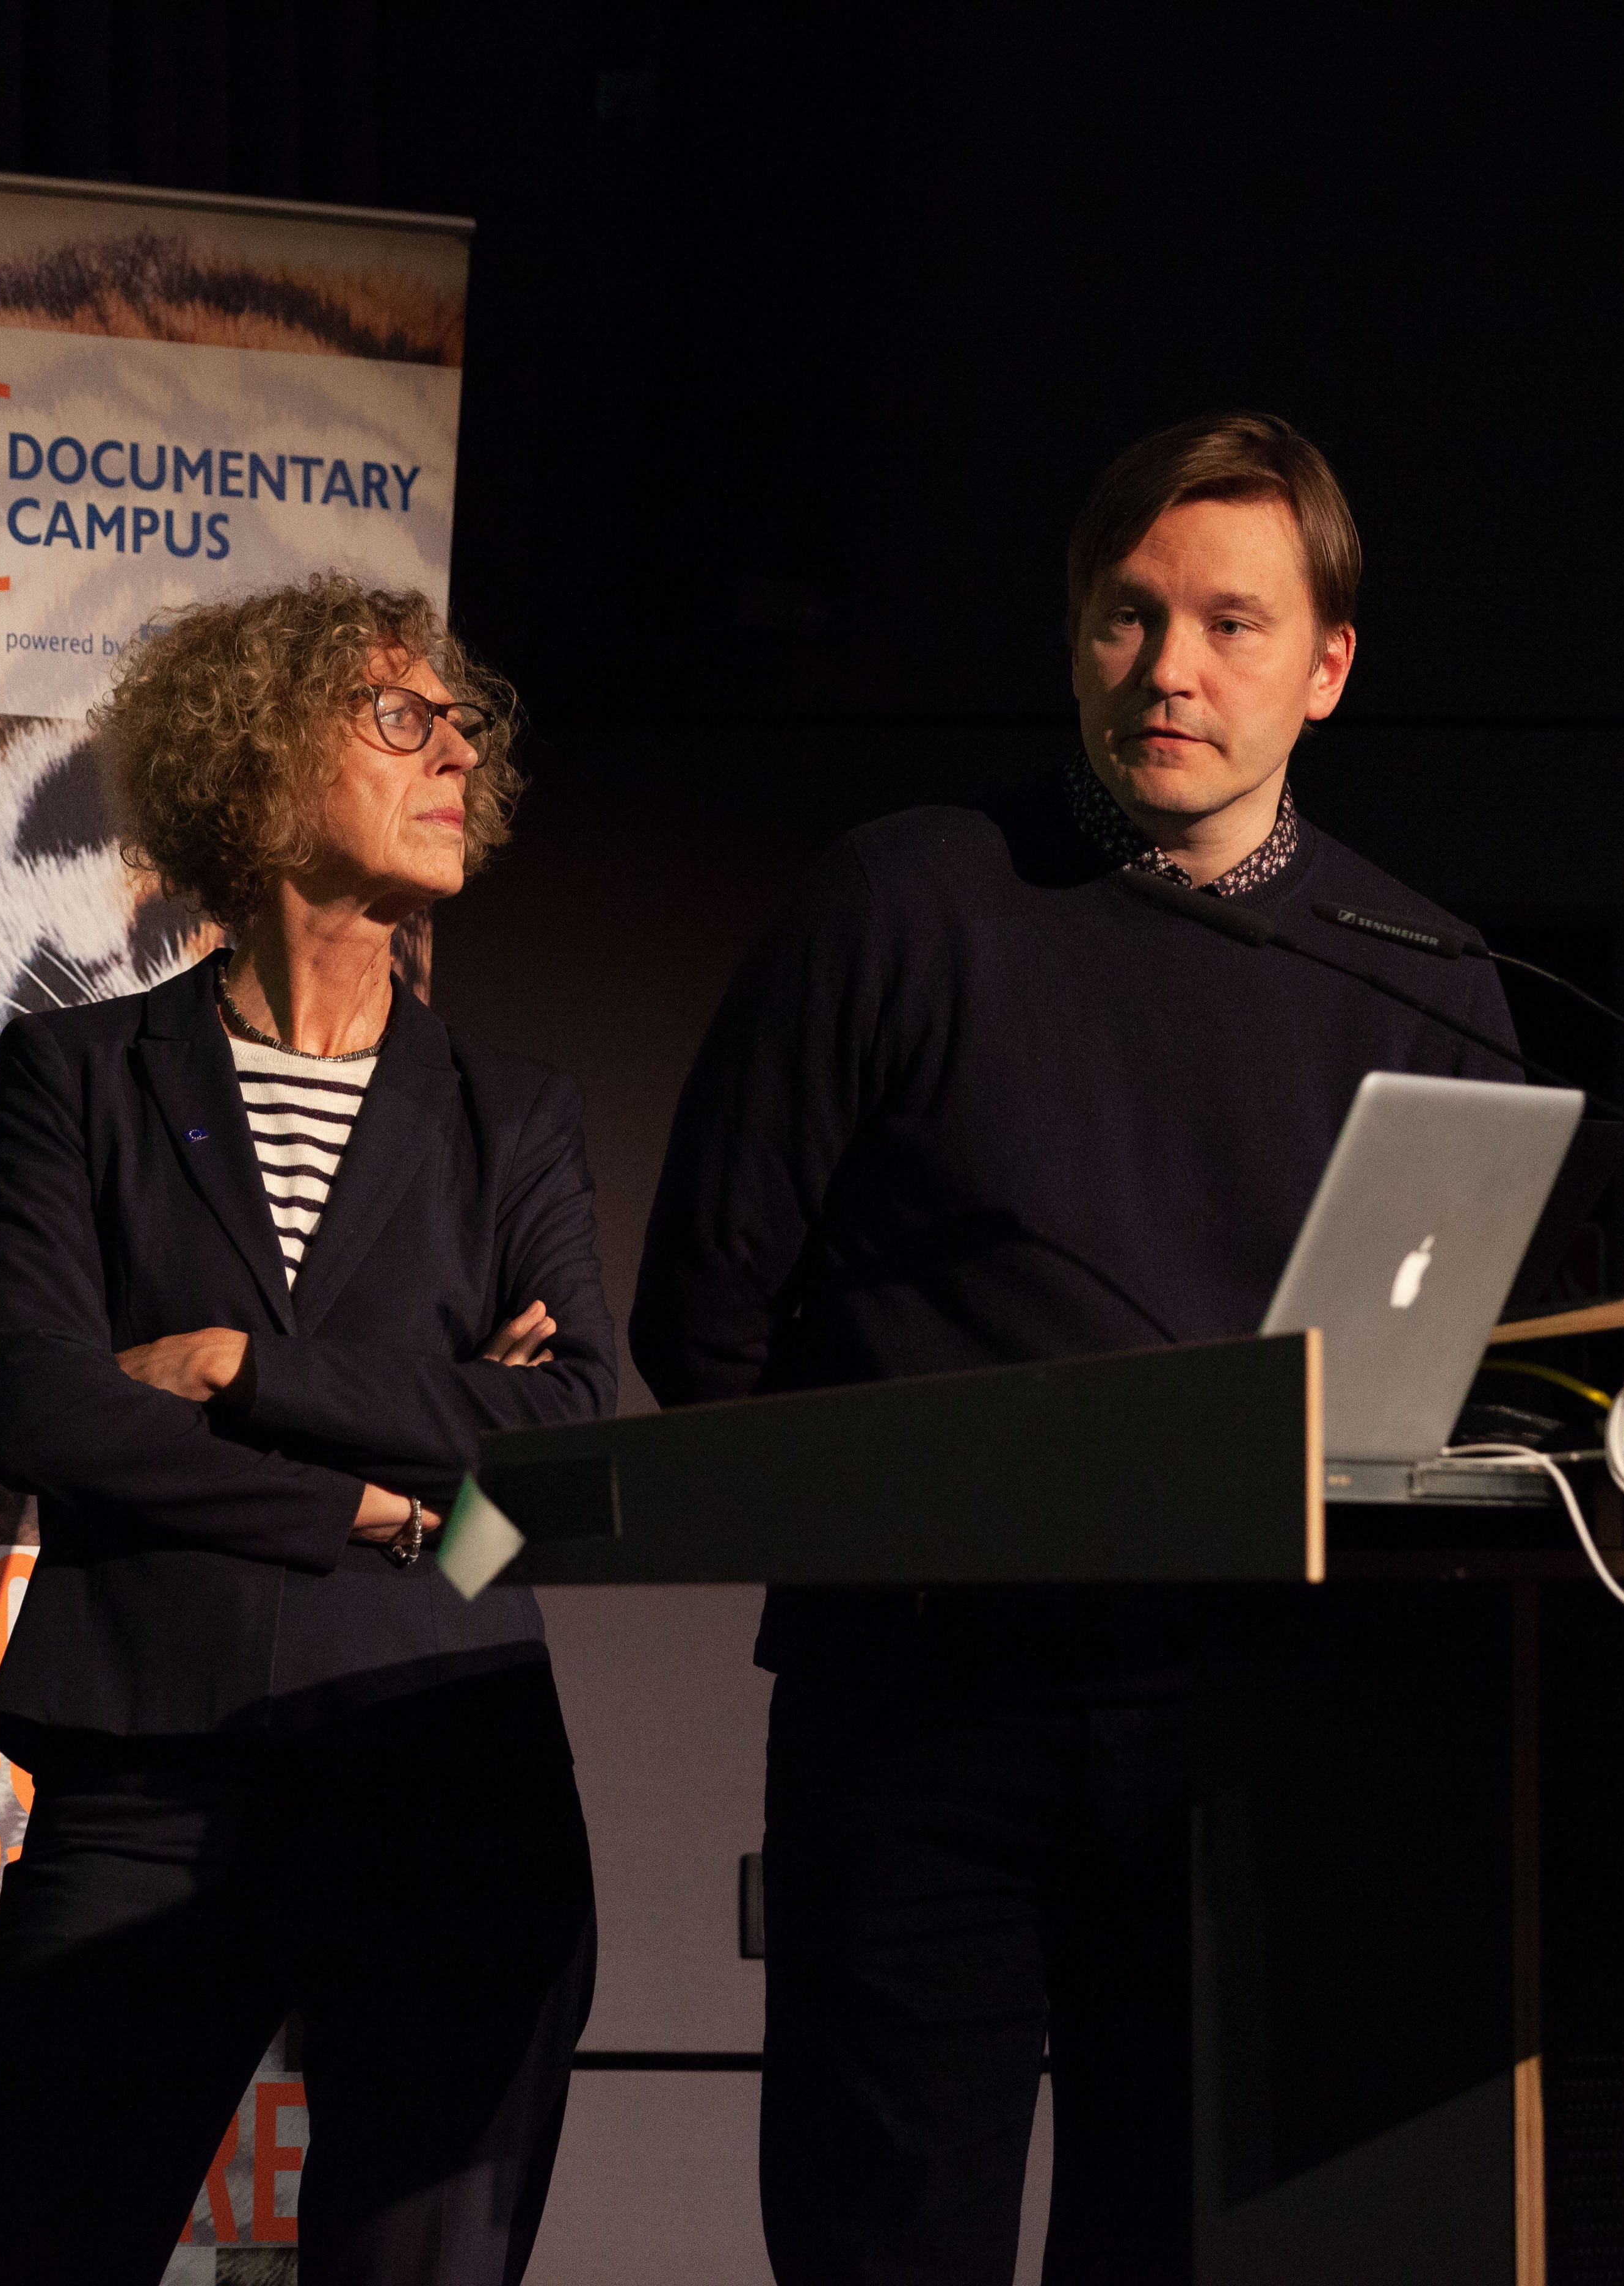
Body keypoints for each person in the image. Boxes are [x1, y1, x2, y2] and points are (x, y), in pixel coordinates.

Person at [631, 413, 1522, 2285]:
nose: (1169, 668)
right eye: (1128, 616)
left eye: (1231, 624)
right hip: (923, 1719)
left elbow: (1439, 1394)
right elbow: (703, 1317)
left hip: (1252, 1742)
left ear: (1329, 668)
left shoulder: (1423, 977)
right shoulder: (907, 898)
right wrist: (897, 1533)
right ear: (1074, 638)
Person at [0, 575, 608, 2286]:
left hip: (454, 1776)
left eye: (460, 723)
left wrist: (240, 1369)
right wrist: (379, 1510)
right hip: (151, 1774)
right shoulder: (85, 1078)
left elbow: (561, 1437)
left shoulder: (513, 1117)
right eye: (399, 716)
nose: (456, 753)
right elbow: (41, 1405)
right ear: (256, 762)